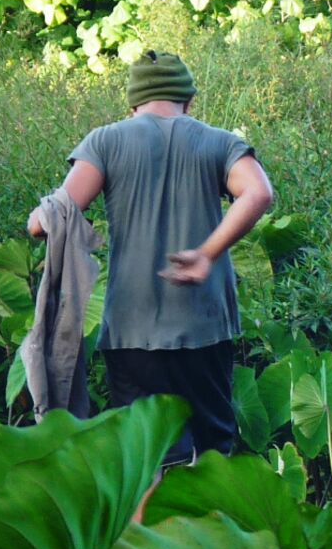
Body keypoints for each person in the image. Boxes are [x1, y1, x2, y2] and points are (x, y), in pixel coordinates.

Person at [27, 50, 274, 465]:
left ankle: (145, 529)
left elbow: (50, 219)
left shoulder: (105, 141)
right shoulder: (219, 142)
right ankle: (207, 528)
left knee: (143, 457)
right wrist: (207, 254)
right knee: (212, 452)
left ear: (133, 103)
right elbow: (259, 193)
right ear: (189, 100)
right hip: (205, 326)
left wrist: (40, 215)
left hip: (131, 328)